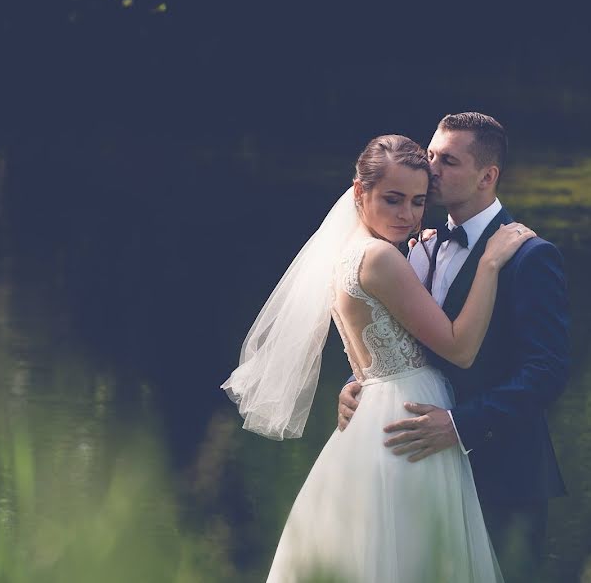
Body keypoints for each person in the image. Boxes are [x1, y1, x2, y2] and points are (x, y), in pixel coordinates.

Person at [222, 133, 535, 582]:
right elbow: (460, 348)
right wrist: (488, 264)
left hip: (377, 410)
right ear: (358, 192)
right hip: (410, 414)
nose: (406, 216)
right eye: (392, 200)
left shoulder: (353, 251)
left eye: (417, 202)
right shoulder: (380, 259)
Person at [338, 113, 569, 581]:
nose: (432, 168)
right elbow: (400, 337)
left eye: (449, 161)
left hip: (502, 476)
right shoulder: (413, 243)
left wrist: (460, 425)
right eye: (431, 155)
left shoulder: (528, 255)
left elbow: (546, 372)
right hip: (418, 468)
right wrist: (358, 383)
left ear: (488, 176)